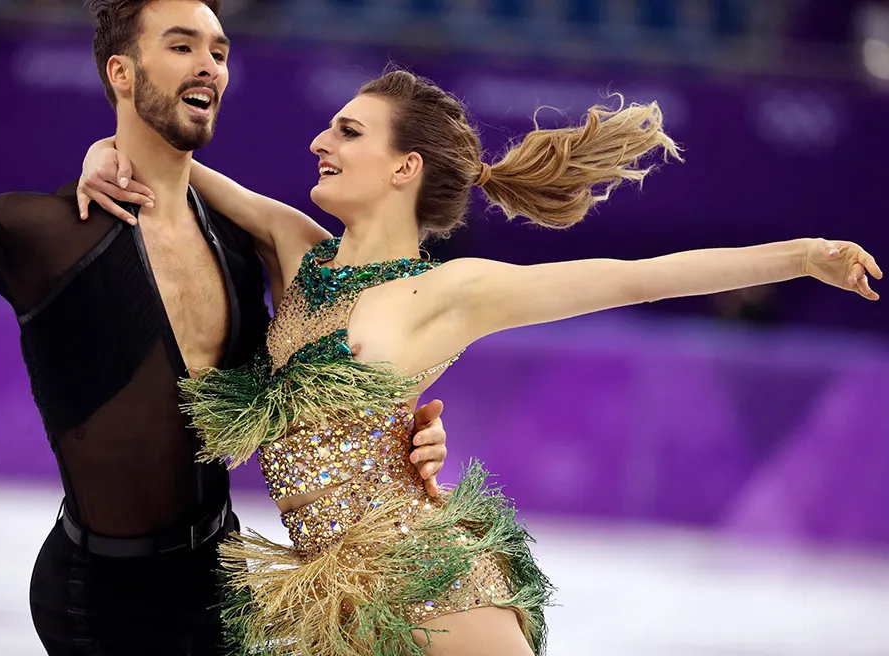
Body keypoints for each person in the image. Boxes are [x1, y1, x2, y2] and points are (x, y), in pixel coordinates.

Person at [79, 68, 881, 655]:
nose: (320, 141)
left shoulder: (456, 290)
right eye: (330, 127)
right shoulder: (297, 251)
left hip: (428, 580)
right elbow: (160, 167)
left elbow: (641, 278)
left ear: (405, 168)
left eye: (349, 132)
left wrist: (802, 254)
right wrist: (97, 154)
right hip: (327, 596)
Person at [0, 1, 450, 653]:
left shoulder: (248, 243)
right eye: (183, 46)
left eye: (219, 51)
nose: (209, 65)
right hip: (96, 598)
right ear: (122, 73)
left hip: (223, 575)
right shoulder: (42, 231)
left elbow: (351, 359)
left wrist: (406, 433)